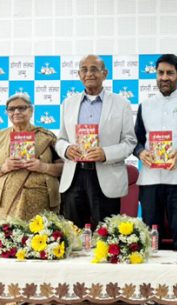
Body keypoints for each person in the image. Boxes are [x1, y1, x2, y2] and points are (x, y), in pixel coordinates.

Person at [56, 54, 136, 228]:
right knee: (72, 234)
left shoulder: (121, 103)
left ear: (105, 73)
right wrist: (67, 149)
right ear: (79, 75)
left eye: (94, 69)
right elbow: (60, 139)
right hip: (74, 176)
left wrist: (105, 153)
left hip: (105, 176)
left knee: (104, 235)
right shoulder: (68, 103)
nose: (89, 74)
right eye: (84, 70)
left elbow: (130, 141)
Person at [134, 54, 177, 250]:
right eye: (161, 73)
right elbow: (135, 141)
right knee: (150, 240)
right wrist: (140, 153)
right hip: (150, 180)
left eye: (170, 73)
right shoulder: (145, 105)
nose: (165, 77)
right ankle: (152, 281)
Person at [0, 93, 63, 223]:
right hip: (5, 205)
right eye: (11, 109)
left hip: (41, 203)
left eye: (22, 108)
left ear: (31, 110)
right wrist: (3, 167)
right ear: (7, 112)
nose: (16, 112)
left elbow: (63, 169)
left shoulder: (47, 136)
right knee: (6, 241)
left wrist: (43, 167)